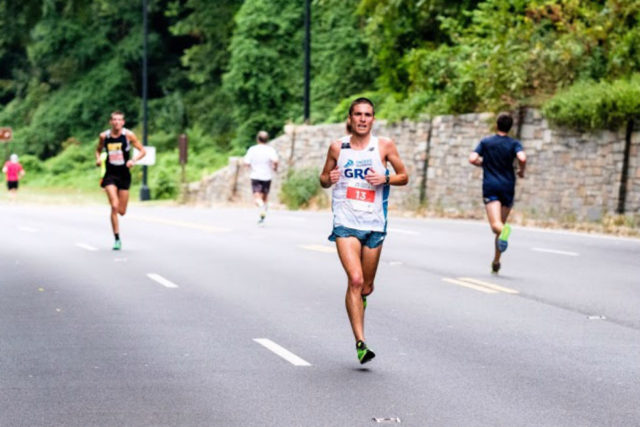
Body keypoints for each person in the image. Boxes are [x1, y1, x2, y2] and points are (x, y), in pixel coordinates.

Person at [319, 97, 408, 364]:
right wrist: (329, 178)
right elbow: (324, 178)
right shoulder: (338, 148)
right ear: (350, 118)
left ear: (373, 119)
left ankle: (361, 300)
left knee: (366, 286)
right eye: (357, 114)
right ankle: (361, 342)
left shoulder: (383, 146)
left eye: (367, 115)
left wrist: (386, 178)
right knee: (355, 280)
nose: (362, 119)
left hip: (373, 224)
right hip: (345, 222)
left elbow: (404, 176)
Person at [469, 112, 526, 274]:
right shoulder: (514, 143)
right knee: (501, 225)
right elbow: (522, 158)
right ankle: (496, 261)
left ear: (496, 125)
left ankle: (504, 231)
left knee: (497, 227)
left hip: (491, 186)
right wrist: (521, 171)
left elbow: (472, 158)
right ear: (510, 127)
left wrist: (483, 163)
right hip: (508, 186)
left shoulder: (486, 142)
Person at [95, 111, 146, 250]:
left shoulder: (128, 135)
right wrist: (98, 159)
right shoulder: (104, 136)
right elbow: (98, 150)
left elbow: (142, 151)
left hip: (124, 174)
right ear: (110, 122)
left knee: (122, 211)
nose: (117, 122)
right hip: (110, 174)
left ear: (123, 122)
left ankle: (117, 214)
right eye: (114, 120)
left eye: (119, 120)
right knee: (114, 206)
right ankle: (117, 238)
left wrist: (133, 160)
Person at [243, 130, 278, 223]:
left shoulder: (252, 149)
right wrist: (274, 168)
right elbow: (275, 161)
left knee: (257, 197)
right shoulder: (270, 150)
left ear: (258, 139)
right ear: (267, 140)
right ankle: (263, 214)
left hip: (256, 175)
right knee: (265, 197)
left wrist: (249, 166)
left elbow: (246, 162)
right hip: (267, 176)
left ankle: (261, 208)